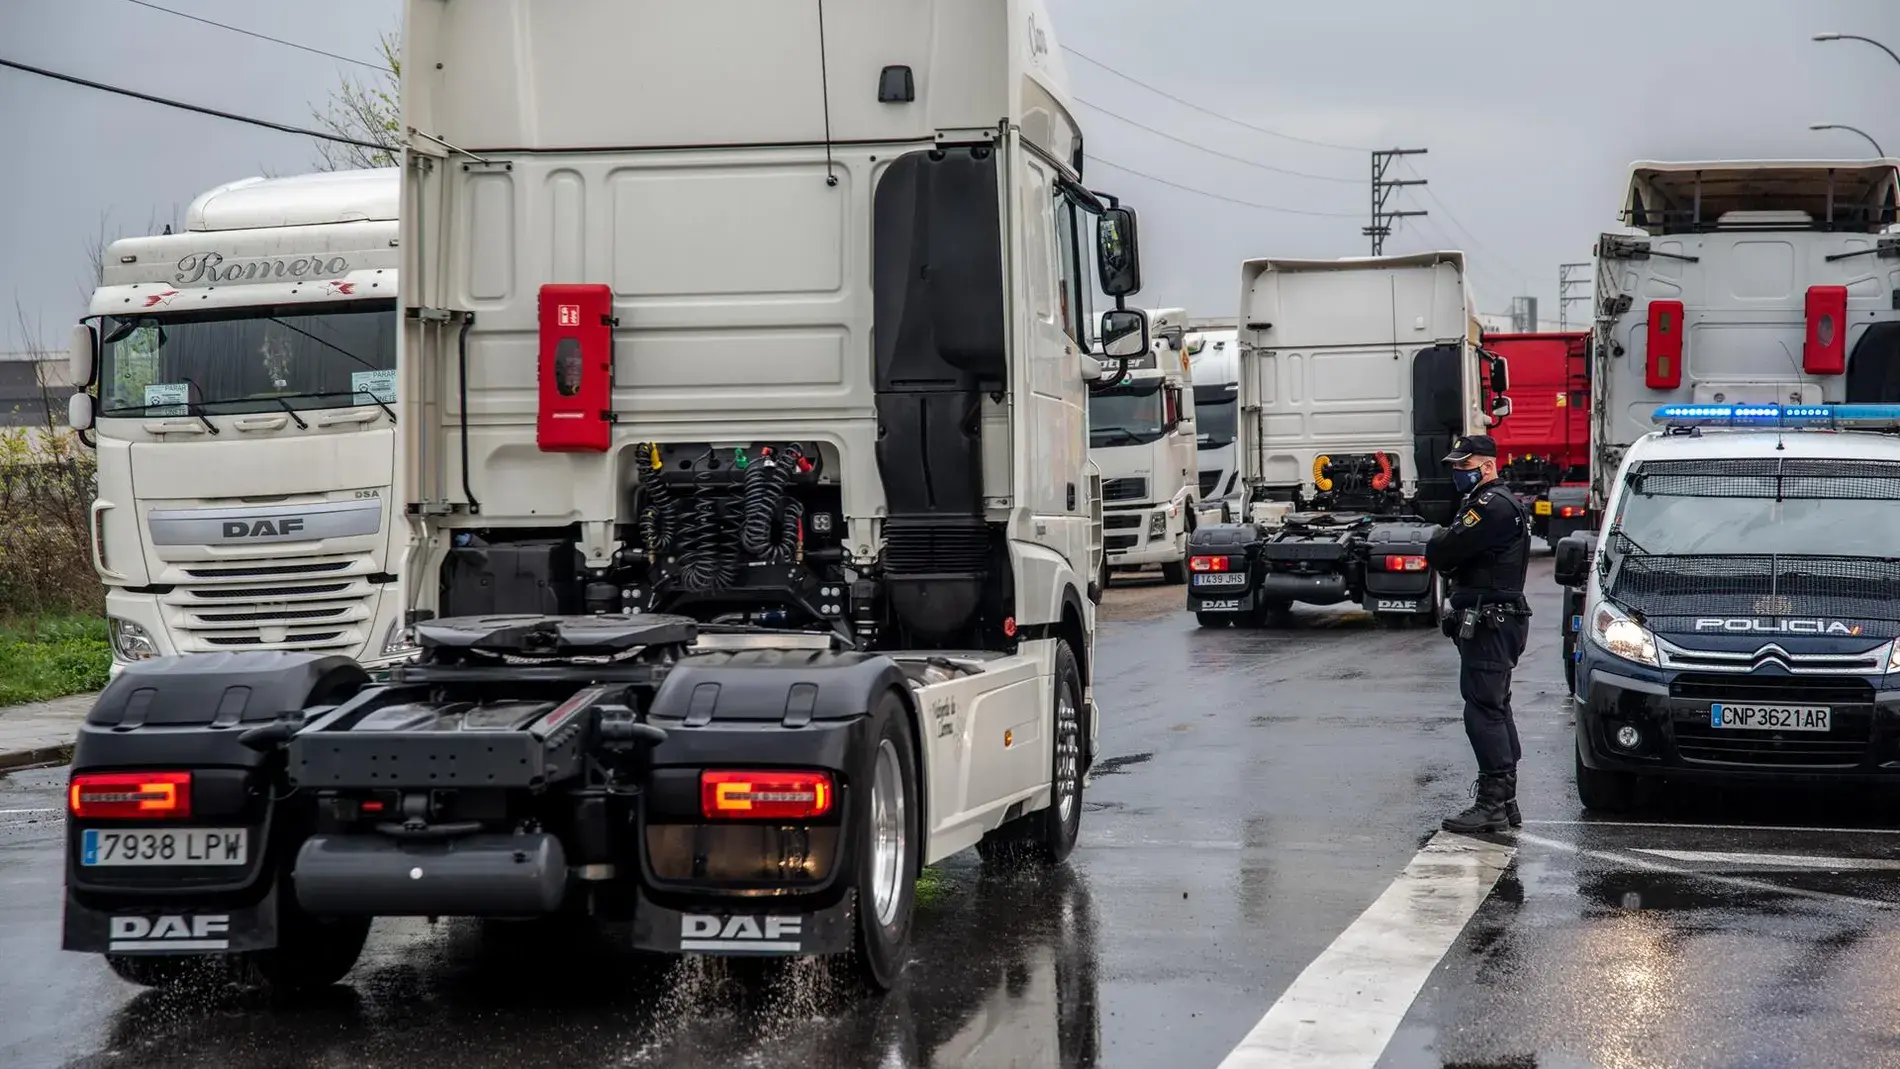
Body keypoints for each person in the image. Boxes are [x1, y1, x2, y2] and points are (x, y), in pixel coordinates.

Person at [1424, 434, 1533, 834]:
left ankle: (1493, 803)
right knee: (1495, 706)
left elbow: (1443, 552)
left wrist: (1439, 541)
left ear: (1486, 466)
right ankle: (1505, 800)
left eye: (1463, 467)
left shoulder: (1490, 506)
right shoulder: (1493, 503)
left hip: (1492, 619)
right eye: (1454, 467)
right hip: (1496, 617)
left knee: (1483, 709)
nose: (1457, 474)